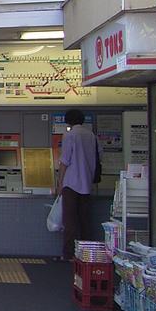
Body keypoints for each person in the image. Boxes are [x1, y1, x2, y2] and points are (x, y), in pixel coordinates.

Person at [56, 109, 100, 261]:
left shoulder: (70, 135)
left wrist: (60, 183)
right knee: (85, 220)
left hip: (71, 183)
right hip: (87, 183)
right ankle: (86, 255)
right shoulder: (91, 135)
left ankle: (69, 254)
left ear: (68, 120)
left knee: (70, 221)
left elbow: (64, 160)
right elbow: (99, 156)